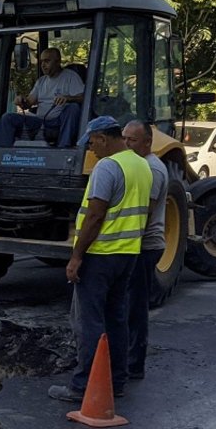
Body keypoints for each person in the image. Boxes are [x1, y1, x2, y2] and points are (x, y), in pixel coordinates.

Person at [49, 115, 153, 402]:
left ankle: (83, 386)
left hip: (100, 256)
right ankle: (117, 381)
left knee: (89, 322)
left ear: (104, 138)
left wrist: (76, 257)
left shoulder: (107, 167)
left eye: (92, 142)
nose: (91, 149)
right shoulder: (141, 165)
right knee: (116, 318)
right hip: (128, 253)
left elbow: (95, 215)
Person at [122, 120, 169, 381]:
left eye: (133, 140)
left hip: (145, 245)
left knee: (135, 305)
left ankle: (134, 363)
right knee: (129, 303)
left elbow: (145, 214)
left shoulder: (153, 169)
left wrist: (127, 245)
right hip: (137, 245)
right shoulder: (140, 166)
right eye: (125, 138)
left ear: (148, 142)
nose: (127, 144)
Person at [0, 48, 84, 147]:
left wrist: (68, 98)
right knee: (8, 118)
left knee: (73, 108)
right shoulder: (41, 81)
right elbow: (29, 102)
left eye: (47, 61)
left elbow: (83, 98)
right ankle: (1, 154)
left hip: (58, 123)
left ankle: (63, 148)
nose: (43, 65)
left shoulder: (70, 77)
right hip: (40, 122)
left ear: (58, 61)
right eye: (41, 62)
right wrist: (21, 100)